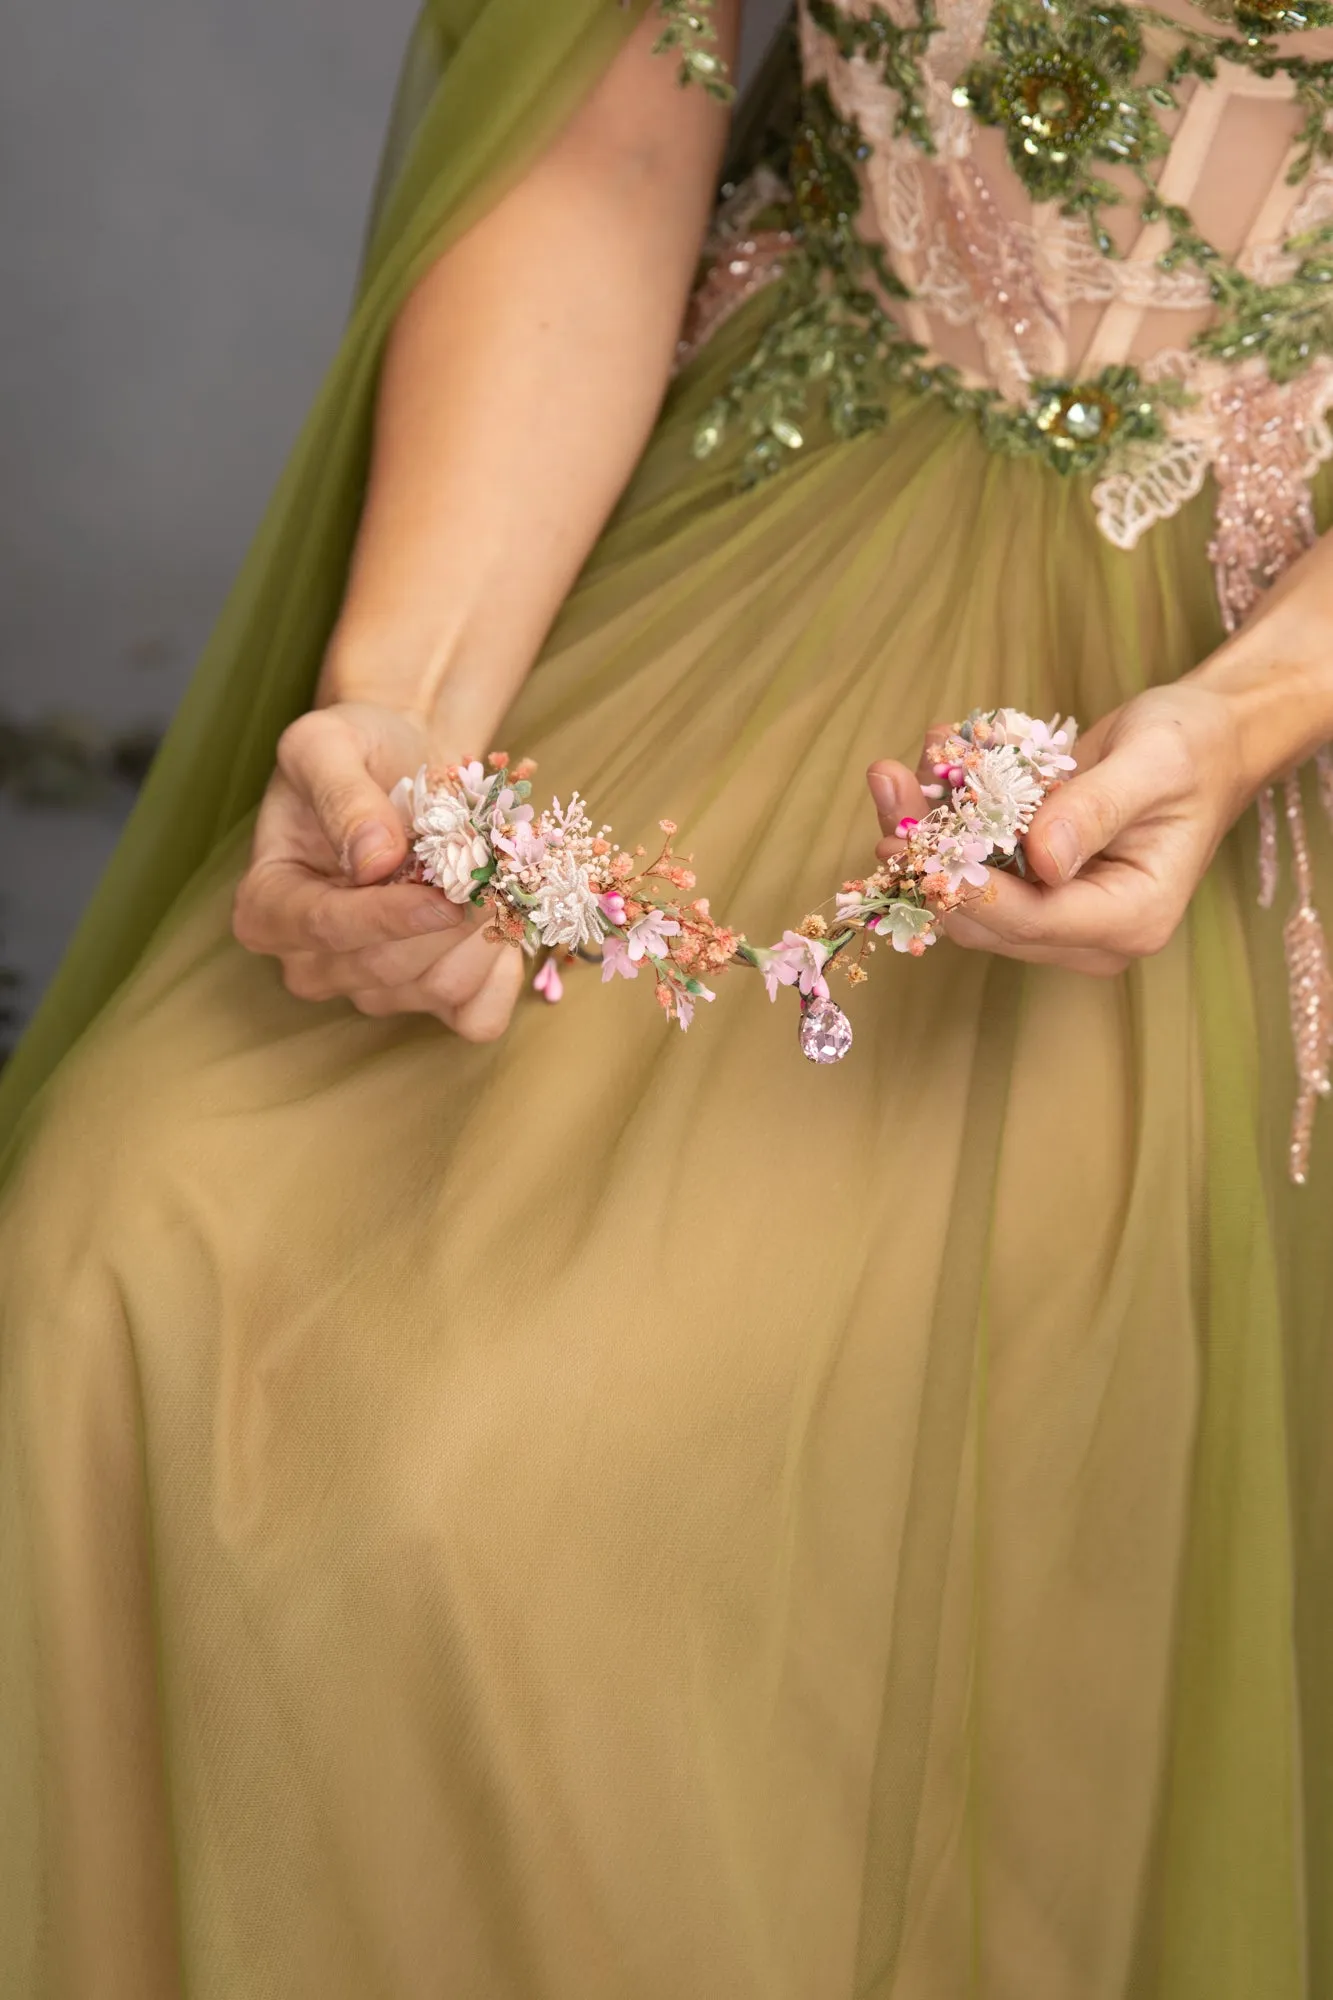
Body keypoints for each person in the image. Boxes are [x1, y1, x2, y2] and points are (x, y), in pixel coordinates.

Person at [2, 0, 1331, 1992]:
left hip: (1253, 657)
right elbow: (617, 122)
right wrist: (402, 725)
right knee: (122, 1255)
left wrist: (1247, 716)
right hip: (795, 494)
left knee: (536, 1492)